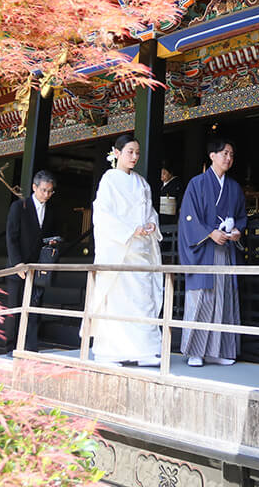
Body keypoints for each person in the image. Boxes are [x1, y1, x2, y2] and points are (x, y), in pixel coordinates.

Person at [87, 134, 164, 366]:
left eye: (137, 152)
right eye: (130, 151)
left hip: (141, 251)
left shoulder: (142, 182)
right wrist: (132, 229)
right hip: (119, 250)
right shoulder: (109, 179)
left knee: (143, 299)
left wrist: (151, 224)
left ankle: (144, 351)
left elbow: (150, 211)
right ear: (117, 152)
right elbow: (103, 215)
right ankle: (111, 352)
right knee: (117, 300)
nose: (134, 156)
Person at [177, 137, 247, 367]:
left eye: (231, 155)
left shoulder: (234, 188)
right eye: (224, 153)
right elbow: (188, 218)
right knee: (203, 298)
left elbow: (241, 217)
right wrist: (209, 233)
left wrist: (237, 231)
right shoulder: (196, 184)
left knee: (223, 298)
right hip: (204, 250)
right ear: (212, 156)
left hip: (225, 250)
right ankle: (195, 352)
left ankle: (218, 351)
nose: (229, 158)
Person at [5, 170, 61, 352]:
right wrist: (17, 263)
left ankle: (30, 347)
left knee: (35, 306)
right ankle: (10, 347)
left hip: (39, 266)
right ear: (34, 187)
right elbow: (11, 237)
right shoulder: (19, 207)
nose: (47, 195)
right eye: (44, 190)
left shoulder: (52, 211)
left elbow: (50, 234)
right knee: (14, 308)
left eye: (50, 191)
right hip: (19, 266)